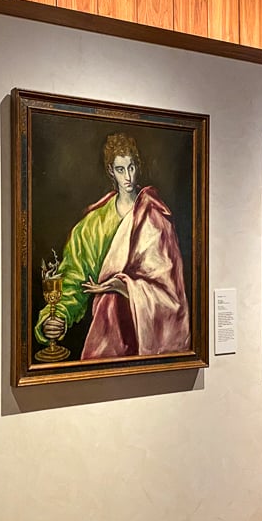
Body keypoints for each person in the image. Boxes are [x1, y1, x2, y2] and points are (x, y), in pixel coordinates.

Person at [34, 132, 189, 359]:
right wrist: (56, 317)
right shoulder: (92, 225)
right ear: (110, 171)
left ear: (138, 166)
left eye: (131, 167)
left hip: (147, 342)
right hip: (107, 341)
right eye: (120, 169)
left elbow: (171, 295)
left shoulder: (156, 218)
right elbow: (73, 280)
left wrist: (120, 286)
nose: (128, 176)